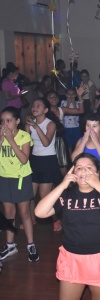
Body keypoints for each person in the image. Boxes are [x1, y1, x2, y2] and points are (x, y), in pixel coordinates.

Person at [34, 153, 100, 300]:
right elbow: (40, 212)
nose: (83, 171)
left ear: (97, 172)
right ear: (73, 173)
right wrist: (62, 185)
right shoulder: (67, 195)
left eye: (89, 167)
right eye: (79, 168)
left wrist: (97, 183)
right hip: (72, 259)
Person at [0, 106, 39, 262]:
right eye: (2, 121)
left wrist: (10, 140)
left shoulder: (24, 136)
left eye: (9, 120)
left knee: (24, 214)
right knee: (9, 214)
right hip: (4, 177)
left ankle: (31, 244)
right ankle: (10, 245)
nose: (5, 124)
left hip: (21, 177)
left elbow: (24, 159)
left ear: (17, 121)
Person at [25, 98, 63, 232]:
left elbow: (46, 142)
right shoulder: (30, 124)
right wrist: (29, 126)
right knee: (28, 195)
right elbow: (26, 142)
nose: (34, 108)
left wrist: (36, 127)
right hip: (35, 160)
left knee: (44, 197)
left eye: (38, 106)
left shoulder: (50, 124)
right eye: (33, 105)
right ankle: (30, 219)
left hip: (48, 161)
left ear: (45, 110)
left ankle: (56, 219)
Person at [71, 113, 100, 190]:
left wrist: (96, 142)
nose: (90, 129)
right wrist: (83, 142)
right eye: (88, 126)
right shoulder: (81, 140)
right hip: (85, 175)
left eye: (94, 126)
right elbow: (74, 160)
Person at [46, 88, 85, 176]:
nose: (53, 98)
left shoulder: (61, 109)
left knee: (63, 165)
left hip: (59, 139)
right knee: (50, 164)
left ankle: (66, 185)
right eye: (50, 97)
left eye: (55, 97)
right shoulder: (44, 111)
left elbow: (81, 111)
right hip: (47, 139)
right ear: (46, 99)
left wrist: (79, 97)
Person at [61, 88, 84, 156]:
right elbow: (63, 112)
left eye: (72, 94)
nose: (70, 96)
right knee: (69, 143)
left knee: (77, 142)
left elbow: (78, 112)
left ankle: (77, 154)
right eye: (69, 94)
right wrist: (68, 103)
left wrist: (73, 102)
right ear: (66, 95)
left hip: (76, 125)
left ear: (75, 95)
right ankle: (71, 156)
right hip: (66, 126)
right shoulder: (63, 102)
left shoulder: (78, 103)